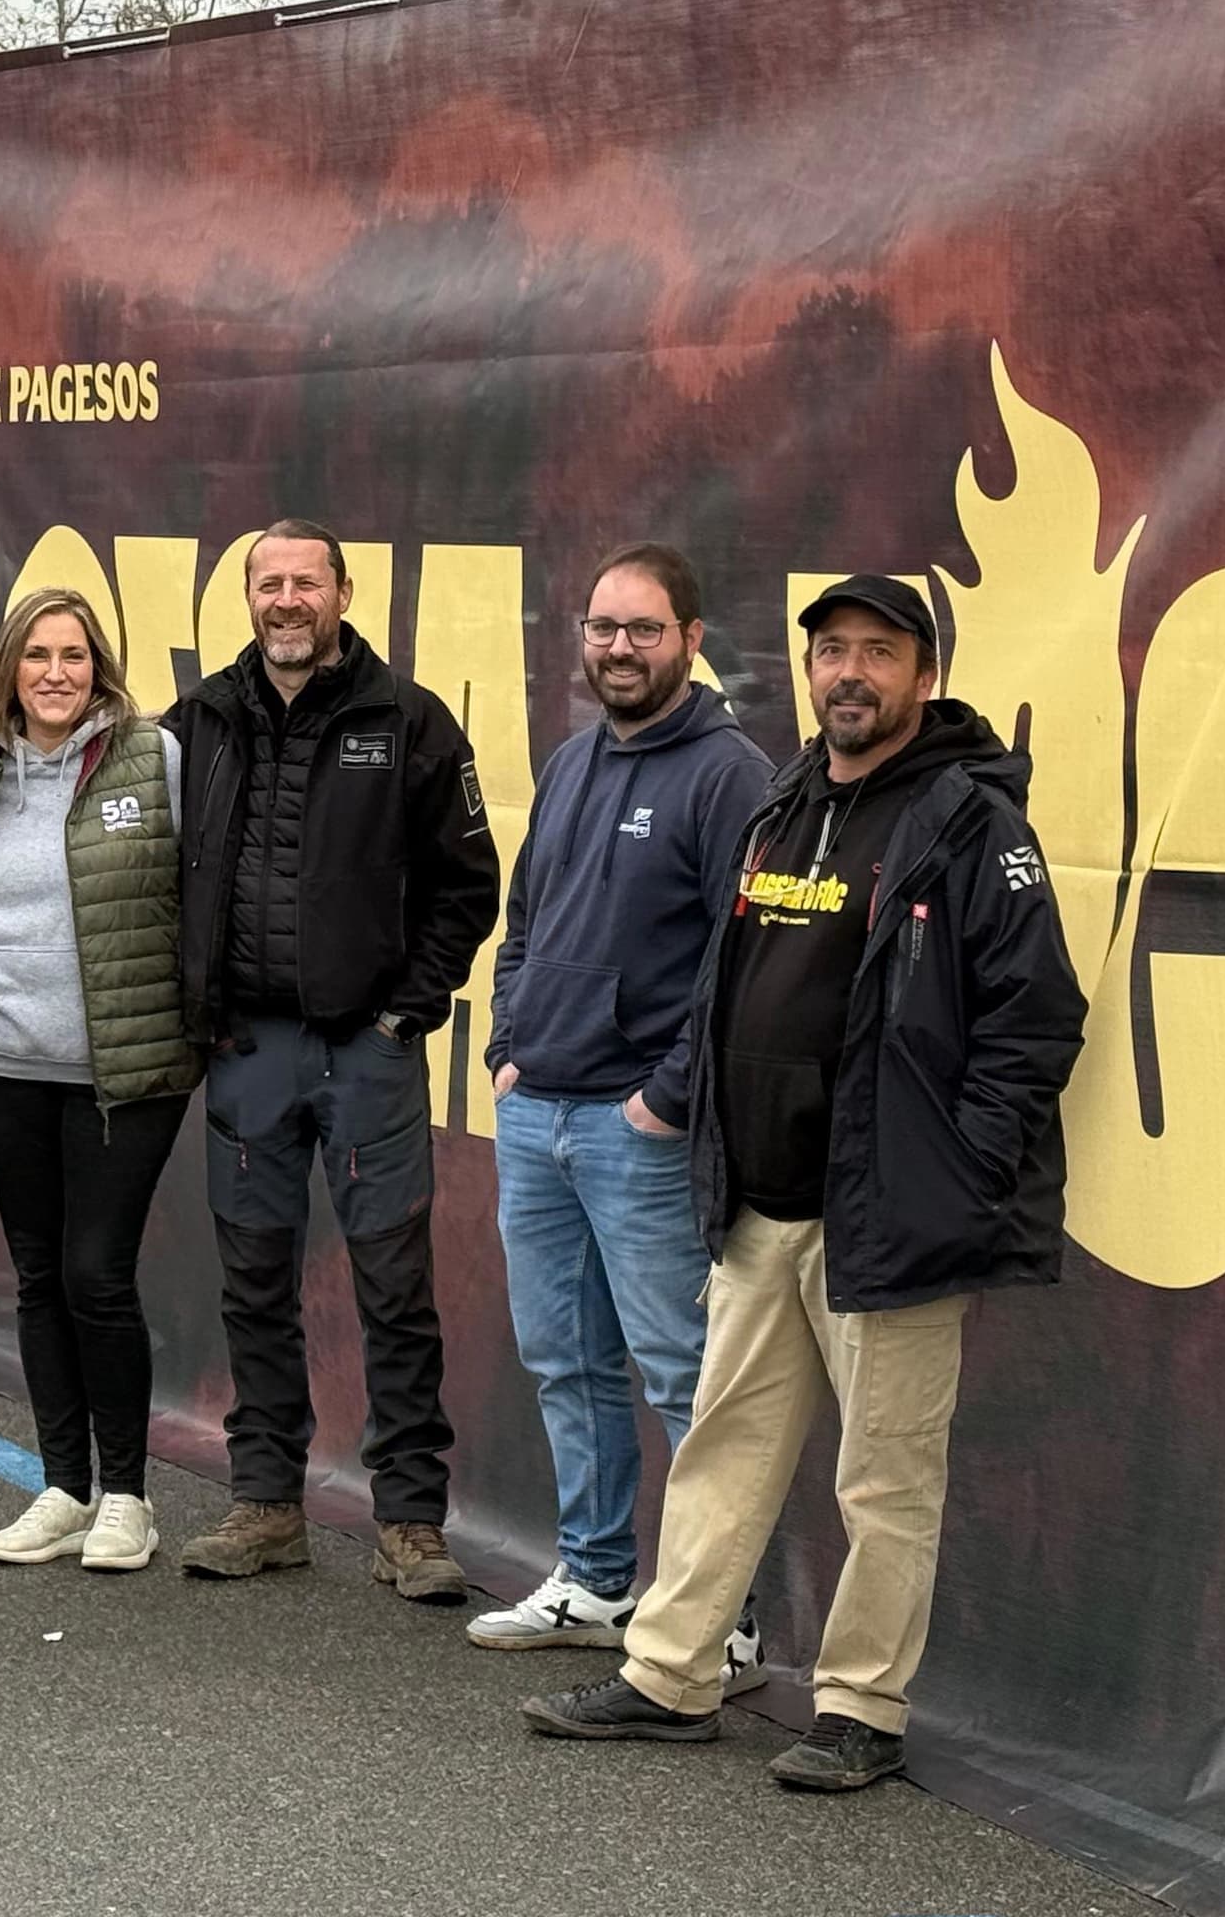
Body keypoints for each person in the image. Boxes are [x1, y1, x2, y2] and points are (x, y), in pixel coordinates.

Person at [524, 573, 1087, 1794]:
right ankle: (670, 1677)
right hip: (760, 1203)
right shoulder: (785, 800)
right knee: (722, 1447)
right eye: (832, 650)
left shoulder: (968, 819)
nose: (850, 673)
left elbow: (1036, 1021)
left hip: (885, 1216)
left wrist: (957, 1166)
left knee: (882, 1475)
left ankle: (862, 1710)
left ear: (922, 675)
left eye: (878, 653)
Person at [166, 519, 502, 1600]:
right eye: (269, 583)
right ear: (248, 598)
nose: (287, 600)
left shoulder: (409, 721)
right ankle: (267, 1501)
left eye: (306, 581)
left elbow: (468, 885)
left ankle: (411, 1519)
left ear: (343, 592)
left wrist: (407, 1012)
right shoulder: (202, 720)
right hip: (249, 1050)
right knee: (255, 1283)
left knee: (394, 1289)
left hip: (368, 1053)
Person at [470, 545, 773, 1687]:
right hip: (537, 1113)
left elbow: (741, 964)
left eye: (643, 629)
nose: (617, 647)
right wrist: (508, 1043)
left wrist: (666, 1098)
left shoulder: (728, 775)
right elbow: (527, 919)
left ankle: (723, 1615)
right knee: (565, 1360)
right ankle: (597, 1578)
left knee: (679, 1374)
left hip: (636, 1130)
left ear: (691, 639)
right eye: (601, 627)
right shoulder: (571, 760)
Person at [0, 588, 193, 1573]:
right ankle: (63, 1488)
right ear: (9, 666)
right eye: (36, 654)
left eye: (74, 655)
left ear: (100, 666)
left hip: (124, 1072)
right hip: (5, 1071)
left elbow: (195, 892)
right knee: (39, 1278)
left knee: (95, 1272)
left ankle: (127, 1496)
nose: (54, 673)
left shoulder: (150, 756)